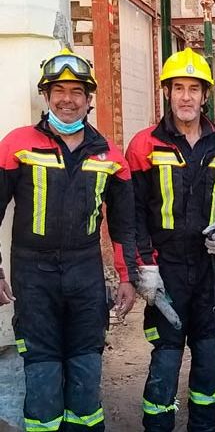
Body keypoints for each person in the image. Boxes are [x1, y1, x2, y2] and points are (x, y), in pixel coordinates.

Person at [0, 48, 138, 431]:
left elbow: (125, 225)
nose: (67, 99)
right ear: (45, 96)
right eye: (58, 90)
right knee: (42, 369)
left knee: (85, 364)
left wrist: (126, 277)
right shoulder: (17, 144)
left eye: (76, 91)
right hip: (33, 272)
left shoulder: (109, 154)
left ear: (89, 99)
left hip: (85, 272)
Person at [126, 47, 215, 432]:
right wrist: (143, 265)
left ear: (205, 95)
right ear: (167, 92)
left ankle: (205, 426)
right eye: (178, 87)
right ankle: (158, 427)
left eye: (194, 88)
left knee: (210, 353)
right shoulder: (144, 146)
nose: (186, 96)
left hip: (210, 267)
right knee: (166, 353)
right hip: (166, 268)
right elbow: (133, 212)